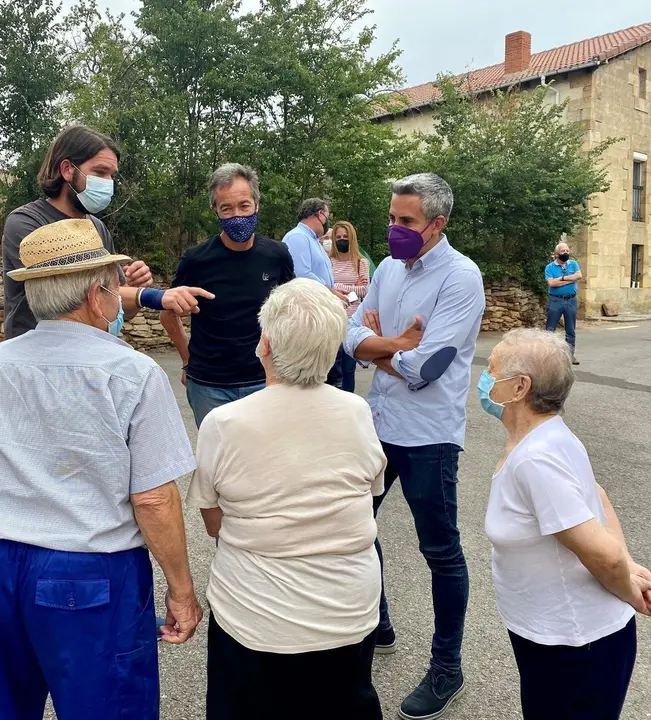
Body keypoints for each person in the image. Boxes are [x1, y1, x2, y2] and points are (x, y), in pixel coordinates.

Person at [0, 218, 202, 720]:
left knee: (3, 702)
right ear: (96, 295)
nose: (121, 296)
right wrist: (181, 590)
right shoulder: (132, 373)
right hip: (86, 567)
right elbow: (154, 498)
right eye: (115, 286)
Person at [186, 278, 386, 720]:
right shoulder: (356, 412)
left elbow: (213, 521)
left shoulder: (225, 422)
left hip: (257, 618)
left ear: (266, 344)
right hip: (346, 612)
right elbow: (370, 492)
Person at [479, 328, 651, 720]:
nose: (484, 378)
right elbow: (597, 496)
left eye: (491, 369)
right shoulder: (545, 436)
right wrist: (630, 565)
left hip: (575, 646)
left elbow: (602, 555)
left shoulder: (537, 459)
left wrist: (626, 585)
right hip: (556, 637)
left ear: (520, 387)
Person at [344, 173, 485, 720]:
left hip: (430, 435)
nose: (394, 229)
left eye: (406, 222)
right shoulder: (386, 268)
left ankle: (447, 667)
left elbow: (425, 369)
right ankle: (377, 622)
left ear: (436, 224)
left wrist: (377, 350)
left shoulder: (461, 277)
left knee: (441, 552)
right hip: (380, 424)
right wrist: (391, 347)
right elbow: (346, 332)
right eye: (391, 218)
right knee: (357, 526)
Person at [2, 124, 212, 340]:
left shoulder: (96, 228)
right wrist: (152, 296)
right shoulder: (26, 222)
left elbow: (117, 311)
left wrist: (132, 287)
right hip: (34, 357)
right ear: (67, 170)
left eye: (112, 175)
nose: (108, 183)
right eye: (100, 172)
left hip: (88, 354)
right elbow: (75, 296)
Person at [160, 163, 294, 428]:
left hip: (264, 381)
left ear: (257, 204)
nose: (237, 215)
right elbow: (168, 313)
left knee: (264, 462)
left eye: (244, 206)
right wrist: (188, 360)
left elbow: (291, 312)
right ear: (215, 211)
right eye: (226, 208)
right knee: (218, 464)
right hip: (209, 386)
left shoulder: (277, 255)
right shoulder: (196, 259)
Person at [283, 198, 349, 387]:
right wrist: (331, 293)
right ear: (320, 214)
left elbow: (318, 274)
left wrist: (334, 289)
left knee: (333, 378)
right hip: (310, 320)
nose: (328, 220)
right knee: (321, 381)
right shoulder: (297, 237)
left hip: (323, 317)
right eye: (327, 215)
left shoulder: (313, 240)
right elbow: (302, 275)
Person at [330, 221, 369, 392]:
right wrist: (353, 286)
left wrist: (337, 287)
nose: (341, 240)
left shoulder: (361, 262)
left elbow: (365, 290)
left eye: (345, 237)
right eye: (338, 237)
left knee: (348, 369)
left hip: (352, 320)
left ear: (352, 238)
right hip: (332, 319)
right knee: (331, 369)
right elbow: (324, 287)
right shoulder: (329, 261)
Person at [545, 241, 581, 365]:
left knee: (570, 329)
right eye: (562, 251)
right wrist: (571, 279)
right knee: (550, 329)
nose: (565, 253)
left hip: (571, 300)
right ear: (556, 254)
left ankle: (570, 355)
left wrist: (561, 279)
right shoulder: (550, 267)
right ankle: (548, 356)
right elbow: (551, 283)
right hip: (555, 300)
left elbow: (579, 276)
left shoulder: (574, 264)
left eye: (567, 251)